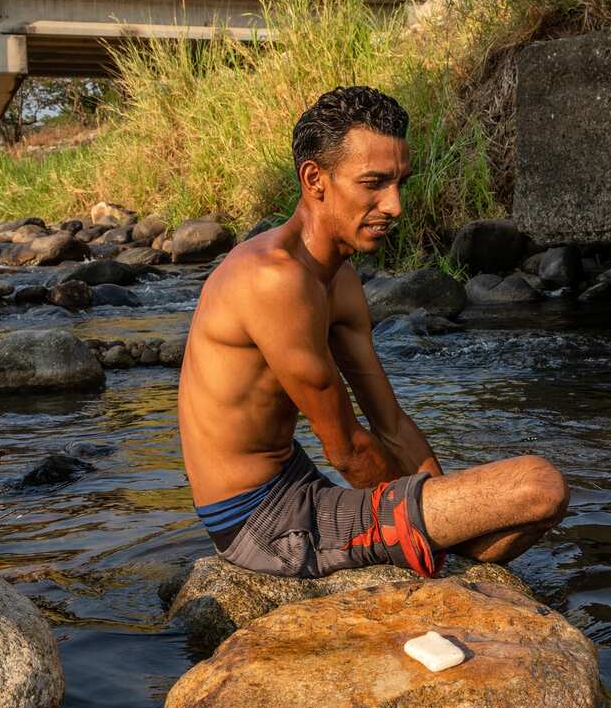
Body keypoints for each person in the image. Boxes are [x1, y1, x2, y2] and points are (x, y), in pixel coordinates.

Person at [178, 85, 569, 579]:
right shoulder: (272, 279)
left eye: (400, 182)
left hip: (299, 486)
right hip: (264, 523)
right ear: (315, 179)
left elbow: (390, 423)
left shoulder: (337, 276)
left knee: (517, 503)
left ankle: (458, 551)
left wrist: (440, 499)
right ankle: (456, 554)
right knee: (540, 487)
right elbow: (345, 449)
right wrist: (431, 512)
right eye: (374, 183)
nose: (396, 205)